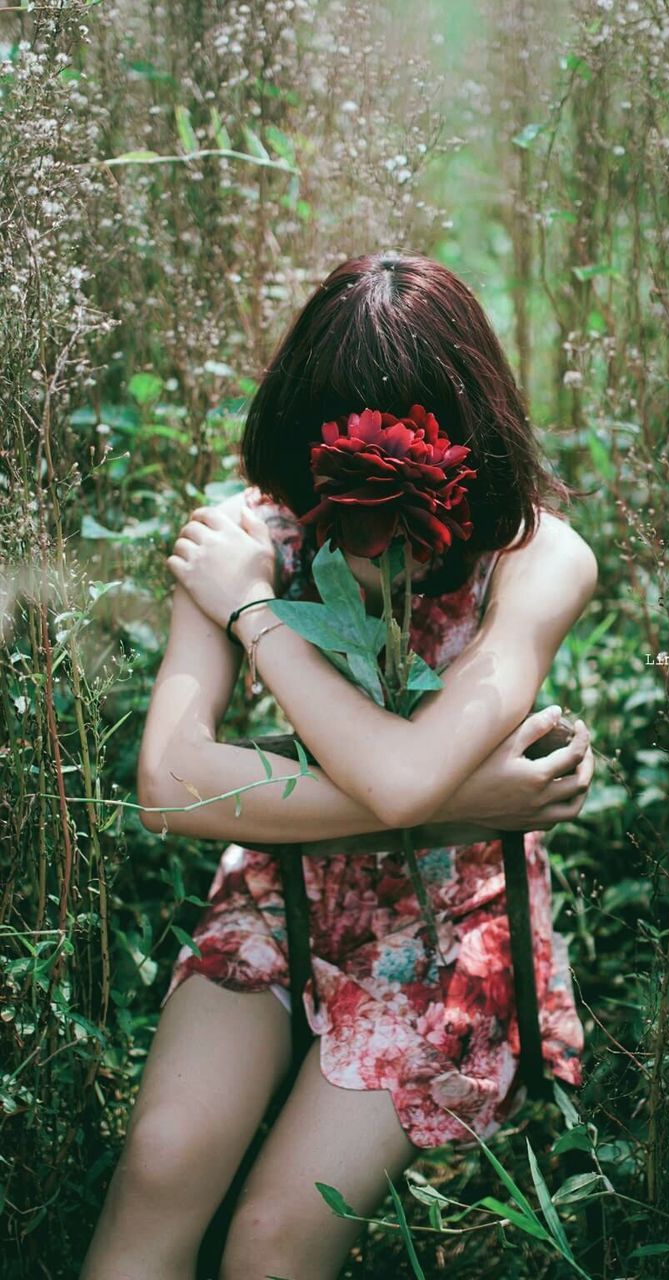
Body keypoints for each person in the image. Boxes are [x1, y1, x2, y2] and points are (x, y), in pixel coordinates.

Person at [80, 250, 598, 1280]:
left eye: (391, 474)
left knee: (275, 1238)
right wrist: (469, 800)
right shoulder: (247, 535)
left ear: (463, 445)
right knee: (164, 1155)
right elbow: (170, 785)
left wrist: (257, 617)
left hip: (454, 921)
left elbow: (401, 780)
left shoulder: (534, 558)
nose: (360, 513)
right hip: (280, 888)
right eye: (333, 472)